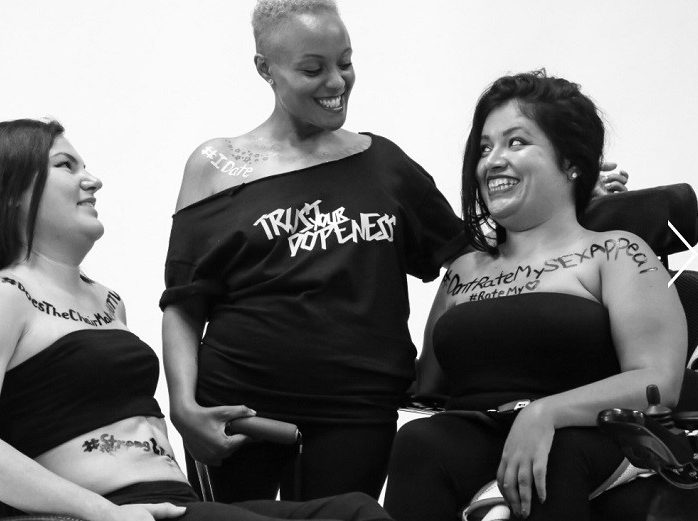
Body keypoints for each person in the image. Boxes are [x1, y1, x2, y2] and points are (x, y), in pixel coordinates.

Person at [160, 1, 630, 504]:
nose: (336, 82)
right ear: (265, 69)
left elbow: (479, 255)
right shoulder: (216, 165)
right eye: (313, 69)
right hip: (239, 410)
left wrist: (565, 192)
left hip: (358, 414)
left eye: (345, 62)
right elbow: (184, 302)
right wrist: (184, 408)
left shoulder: (382, 164)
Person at [0, 118, 393, 521]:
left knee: (356, 510)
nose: (92, 181)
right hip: (110, 509)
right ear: (10, 192)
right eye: (67, 166)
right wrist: (103, 514)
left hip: (176, 501)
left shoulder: (107, 301)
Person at [383, 71, 691, 521]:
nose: (493, 161)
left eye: (516, 142)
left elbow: (659, 381)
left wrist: (545, 413)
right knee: (420, 442)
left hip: (591, 434)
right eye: (485, 148)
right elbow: (427, 387)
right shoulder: (463, 271)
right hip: (477, 430)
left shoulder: (616, 252)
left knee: (556, 452)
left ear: (571, 162)